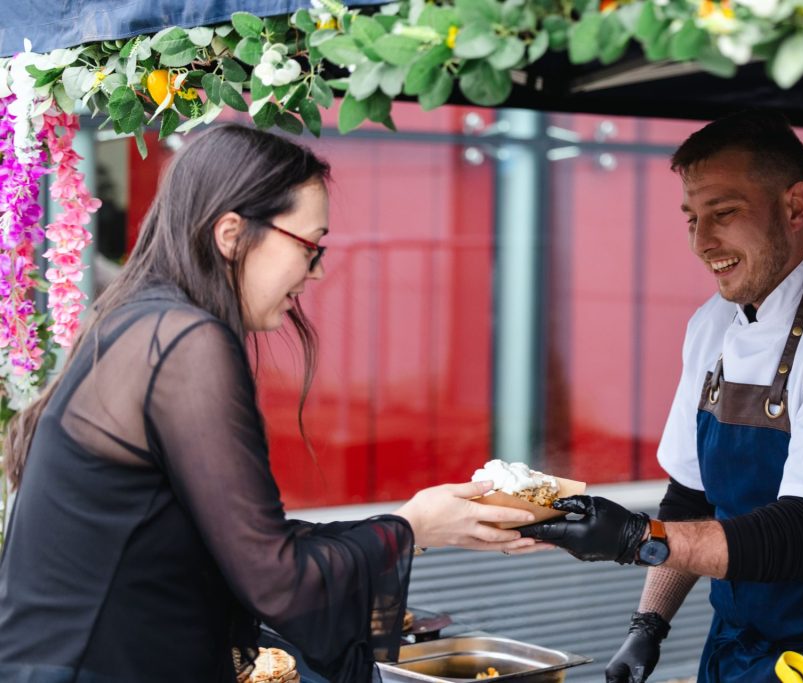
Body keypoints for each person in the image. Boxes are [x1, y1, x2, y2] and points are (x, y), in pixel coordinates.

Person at [0, 124, 540, 683]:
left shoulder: (132, 321)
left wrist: (416, 526)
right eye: (311, 245)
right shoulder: (184, 340)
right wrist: (411, 527)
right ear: (231, 234)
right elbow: (275, 578)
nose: (319, 271)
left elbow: (239, 544)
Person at [520, 110, 803, 682]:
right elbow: (691, 500)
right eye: (692, 218)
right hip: (738, 647)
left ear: (795, 206)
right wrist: (647, 628)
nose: (703, 242)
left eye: (725, 214)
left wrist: (634, 539)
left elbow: (802, 537)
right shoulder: (713, 326)